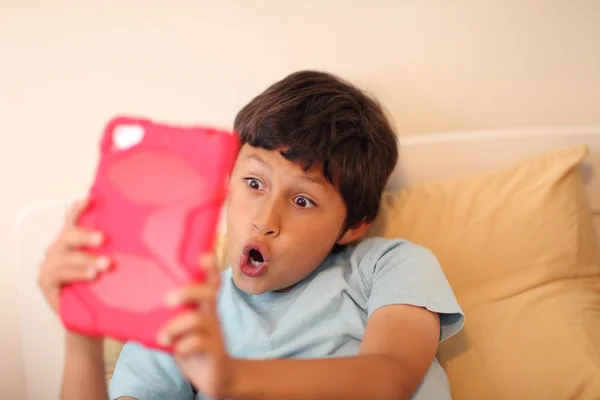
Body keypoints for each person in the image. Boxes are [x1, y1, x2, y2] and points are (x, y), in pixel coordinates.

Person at [39, 70, 464, 400]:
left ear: (354, 224)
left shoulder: (385, 264)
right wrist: (81, 335)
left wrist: (230, 378)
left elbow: (391, 376)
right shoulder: (183, 305)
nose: (265, 219)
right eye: (254, 184)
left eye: (302, 201)